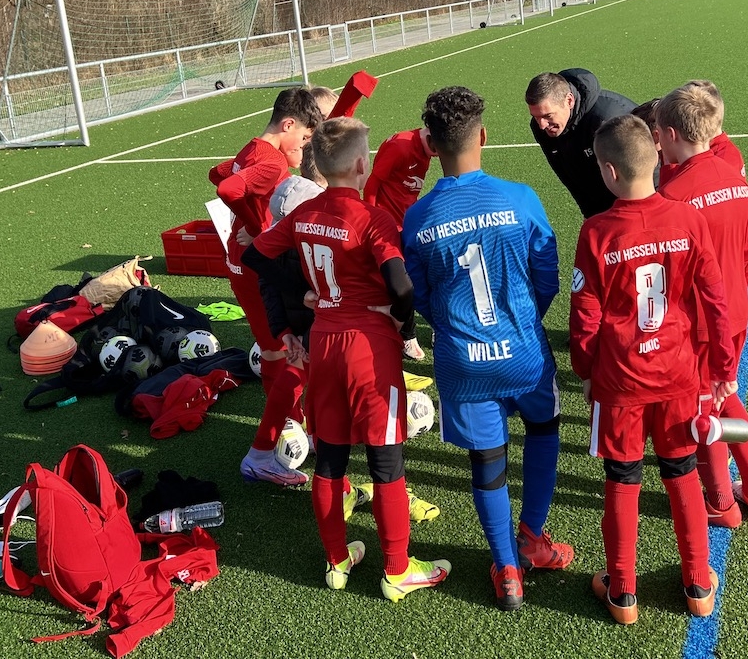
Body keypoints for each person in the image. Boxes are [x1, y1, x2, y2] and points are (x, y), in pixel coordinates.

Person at [243, 117, 451, 602]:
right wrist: (403, 322)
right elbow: (401, 287)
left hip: (324, 345)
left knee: (332, 458)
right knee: (386, 461)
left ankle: (337, 561)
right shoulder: (372, 218)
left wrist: (306, 292)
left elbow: (256, 258)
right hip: (368, 351)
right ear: (361, 165)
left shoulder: (304, 213)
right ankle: (397, 569)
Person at [401, 86, 571, 612]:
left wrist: (455, 327)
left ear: (431, 145)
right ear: (483, 136)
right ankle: (532, 539)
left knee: (488, 461)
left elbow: (418, 294)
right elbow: (547, 275)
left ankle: (507, 570)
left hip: (463, 361)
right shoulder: (520, 198)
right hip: (524, 352)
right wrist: (521, 322)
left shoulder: (418, 218)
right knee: (543, 430)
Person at [569, 114, 739, 624]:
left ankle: (623, 592)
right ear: (656, 158)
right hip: (679, 374)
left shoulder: (597, 231)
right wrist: (722, 367)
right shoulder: (688, 219)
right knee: (681, 472)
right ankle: (697, 583)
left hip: (621, 380)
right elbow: (715, 301)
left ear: (609, 172)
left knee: (622, 479)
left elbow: (585, 314)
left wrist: (584, 370)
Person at [655, 83, 748, 527]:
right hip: (735, 312)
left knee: (701, 411)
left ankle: (722, 503)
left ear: (669, 134)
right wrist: (734, 286)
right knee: (726, 397)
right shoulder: (734, 178)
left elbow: (666, 275)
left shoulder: (673, 197)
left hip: (699, 326)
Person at [209, 87, 323, 487]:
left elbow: (219, 173)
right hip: (258, 266)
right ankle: (267, 448)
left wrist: (250, 222)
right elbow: (227, 189)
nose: (304, 148)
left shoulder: (253, 149)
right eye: (304, 138)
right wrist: (258, 228)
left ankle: (292, 426)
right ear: (288, 124)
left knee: (277, 353)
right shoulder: (272, 161)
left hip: (242, 263)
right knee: (296, 355)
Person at [363, 125, 437, 360]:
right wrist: (372, 221)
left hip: (408, 222)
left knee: (430, 272)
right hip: (388, 226)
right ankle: (407, 335)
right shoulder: (400, 147)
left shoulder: (427, 148)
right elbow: (373, 184)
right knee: (403, 282)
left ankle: (439, 326)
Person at [525, 69, 637, 217]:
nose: (542, 125)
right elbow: (571, 178)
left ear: (569, 101)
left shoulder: (608, 121)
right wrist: (590, 215)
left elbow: (639, 175)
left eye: (548, 116)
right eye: (536, 117)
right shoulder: (542, 129)